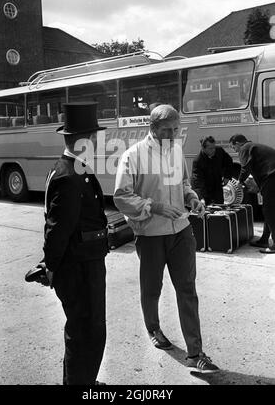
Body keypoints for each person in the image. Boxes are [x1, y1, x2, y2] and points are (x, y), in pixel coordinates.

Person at [113, 104, 219, 374]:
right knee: (152, 288)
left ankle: (195, 354)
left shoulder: (175, 150)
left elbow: (183, 184)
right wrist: (155, 206)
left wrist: (192, 198)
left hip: (181, 231)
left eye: (176, 129)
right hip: (150, 235)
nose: (173, 135)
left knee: (187, 290)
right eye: (167, 130)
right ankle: (153, 327)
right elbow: (121, 197)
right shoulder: (133, 156)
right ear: (152, 128)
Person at [41, 102, 109, 385]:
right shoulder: (70, 176)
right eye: (93, 137)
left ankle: (82, 382)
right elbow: (59, 228)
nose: (96, 142)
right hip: (79, 268)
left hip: (85, 262)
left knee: (85, 332)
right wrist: (51, 266)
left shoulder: (73, 167)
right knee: (87, 333)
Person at [229, 134, 275, 254]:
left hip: (271, 176)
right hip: (270, 177)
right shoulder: (253, 147)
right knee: (269, 209)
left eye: (234, 147)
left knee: (269, 210)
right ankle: (264, 239)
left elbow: (245, 167)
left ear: (238, 143)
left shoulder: (245, 148)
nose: (235, 150)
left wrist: (239, 181)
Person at [191, 136, 234, 205]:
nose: (213, 150)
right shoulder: (198, 161)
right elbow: (198, 180)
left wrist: (227, 176)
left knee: (220, 207)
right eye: (210, 148)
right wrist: (201, 197)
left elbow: (229, 162)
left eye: (214, 147)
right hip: (205, 189)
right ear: (203, 148)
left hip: (217, 186)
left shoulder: (219, 151)